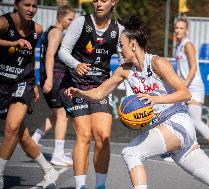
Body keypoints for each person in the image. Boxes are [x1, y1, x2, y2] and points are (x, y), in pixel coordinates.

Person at [65, 15, 209, 189]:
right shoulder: (124, 70)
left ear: (133, 45)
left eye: (122, 45)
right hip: (171, 134)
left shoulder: (157, 63)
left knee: (131, 153)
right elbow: (99, 93)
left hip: (177, 122)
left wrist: (155, 99)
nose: (119, 50)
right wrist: (80, 92)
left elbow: (185, 94)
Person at [58, 0, 123, 188]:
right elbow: (63, 51)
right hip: (75, 86)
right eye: (96, 0)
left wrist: (129, 90)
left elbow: (123, 62)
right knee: (84, 136)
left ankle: (100, 186)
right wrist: (75, 64)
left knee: (102, 136)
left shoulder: (119, 30)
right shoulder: (80, 23)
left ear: (113, 2)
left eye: (104, 0)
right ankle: (80, 186)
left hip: (100, 88)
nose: (99, 4)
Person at [0, 0, 59, 188]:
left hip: (21, 81)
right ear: (16, 4)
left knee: (12, 127)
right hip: (1, 82)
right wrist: (12, 42)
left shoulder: (38, 29)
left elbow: (30, 54)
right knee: (22, 135)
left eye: (34, 6)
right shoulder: (3, 23)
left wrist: (33, 81)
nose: (31, 10)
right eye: (27, 5)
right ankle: (49, 169)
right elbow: (15, 45)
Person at [31, 5, 75, 166]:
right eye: (70, 19)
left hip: (53, 77)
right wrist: (49, 79)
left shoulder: (51, 31)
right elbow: (49, 55)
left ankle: (34, 138)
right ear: (60, 17)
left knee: (57, 114)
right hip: (55, 78)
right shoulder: (56, 32)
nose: (72, 22)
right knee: (63, 115)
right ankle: (58, 154)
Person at [174, 16, 209, 164]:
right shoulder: (178, 46)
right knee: (179, 117)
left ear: (186, 30)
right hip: (185, 86)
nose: (178, 30)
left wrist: (184, 84)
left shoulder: (188, 45)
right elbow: (181, 70)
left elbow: (193, 67)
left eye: (181, 28)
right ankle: (178, 149)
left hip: (194, 87)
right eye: (176, 28)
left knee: (195, 120)